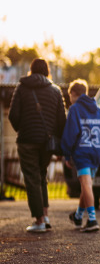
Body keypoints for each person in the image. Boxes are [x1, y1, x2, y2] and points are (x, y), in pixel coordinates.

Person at [8, 58, 66, 232]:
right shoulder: (55, 91)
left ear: (31, 71)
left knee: (32, 178)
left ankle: (39, 221)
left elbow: (13, 115)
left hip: (27, 140)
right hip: (47, 142)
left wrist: (23, 129)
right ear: (47, 71)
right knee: (41, 176)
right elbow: (61, 120)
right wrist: (56, 140)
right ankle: (45, 215)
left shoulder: (21, 88)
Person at [61, 79, 100, 232]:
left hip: (82, 153)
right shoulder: (98, 110)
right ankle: (79, 216)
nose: (70, 100)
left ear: (74, 94)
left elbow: (70, 134)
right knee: (86, 186)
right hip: (96, 152)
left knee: (86, 185)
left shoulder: (75, 109)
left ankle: (92, 220)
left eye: (70, 97)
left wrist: (67, 154)